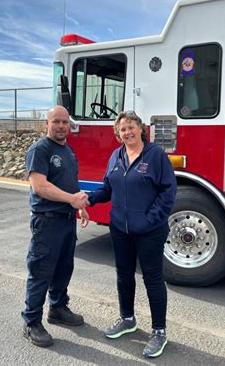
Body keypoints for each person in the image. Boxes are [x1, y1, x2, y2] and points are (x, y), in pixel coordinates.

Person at [84, 111, 177, 358]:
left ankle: (159, 332)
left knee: (152, 279)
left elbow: (168, 191)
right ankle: (127, 319)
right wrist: (88, 199)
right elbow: (107, 188)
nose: (127, 132)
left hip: (150, 231)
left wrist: (149, 219)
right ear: (118, 134)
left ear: (140, 128)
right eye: (122, 129)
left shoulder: (155, 155)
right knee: (124, 276)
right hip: (120, 229)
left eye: (131, 127)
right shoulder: (116, 155)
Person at [21, 105, 89, 347]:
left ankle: (58, 308)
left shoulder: (68, 150)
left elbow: (69, 183)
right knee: (41, 272)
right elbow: (40, 186)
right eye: (56, 122)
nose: (61, 126)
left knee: (63, 269)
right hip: (47, 222)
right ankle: (31, 322)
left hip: (66, 221)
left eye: (65, 122)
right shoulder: (40, 149)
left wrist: (78, 205)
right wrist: (71, 200)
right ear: (46, 124)